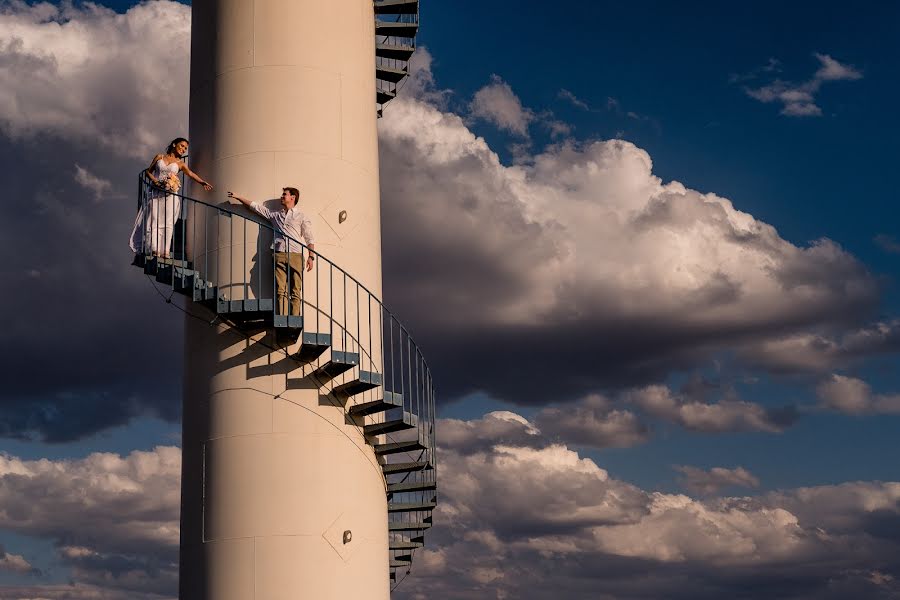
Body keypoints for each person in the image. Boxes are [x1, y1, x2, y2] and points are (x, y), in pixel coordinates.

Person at [227, 187, 315, 316]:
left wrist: (311, 257)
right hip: (279, 254)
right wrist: (238, 197)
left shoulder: (301, 216)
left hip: (295, 255)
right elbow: (257, 208)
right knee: (280, 290)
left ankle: (295, 318)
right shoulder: (276, 215)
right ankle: (283, 317)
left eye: (284, 194)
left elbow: (309, 237)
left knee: (295, 290)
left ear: (293, 197)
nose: (282, 196)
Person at [130, 138, 213, 258]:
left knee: (168, 222)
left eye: (185, 148)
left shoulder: (180, 164)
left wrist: (203, 182)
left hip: (170, 195)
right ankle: (154, 248)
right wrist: (156, 181)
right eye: (182, 146)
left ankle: (165, 251)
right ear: (174, 145)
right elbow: (148, 172)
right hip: (156, 193)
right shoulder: (159, 157)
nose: (183, 149)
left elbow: (190, 174)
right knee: (154, 219)